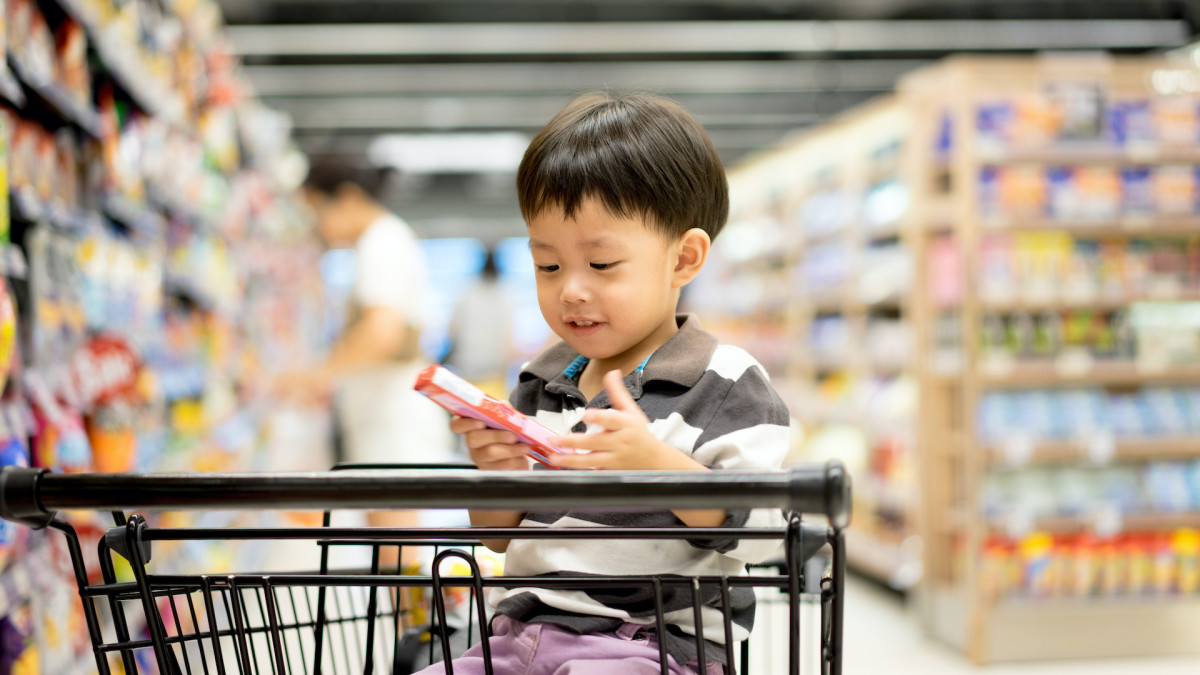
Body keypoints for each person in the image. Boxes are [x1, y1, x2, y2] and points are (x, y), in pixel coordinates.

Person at [425, 93, 791, 675]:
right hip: (516, 636)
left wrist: (659, 465)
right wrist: (496, 474)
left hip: (648, 647)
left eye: (600, 265)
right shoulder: (540, 381)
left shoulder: (725, 382)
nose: (570, 289)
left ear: (684, 259)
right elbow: (498, 539)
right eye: (547, 265)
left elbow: (767, 534)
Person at [279, 154, 452, 552]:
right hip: (385, 412)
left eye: (317, 211)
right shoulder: (381, 240)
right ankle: (408, 616)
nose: (317, 227)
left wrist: (315, 375)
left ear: (347, 198)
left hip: (391, 415)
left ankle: (412, 618)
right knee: (392, 550)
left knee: (396, 552)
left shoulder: (382, 241)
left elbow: (382, 331)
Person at [442, 247, 514, 399]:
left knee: (468, 413)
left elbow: (451, 330)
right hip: (493, 373)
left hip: (466, 371)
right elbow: (507, 338)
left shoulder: (466, 292)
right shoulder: (503, 296)